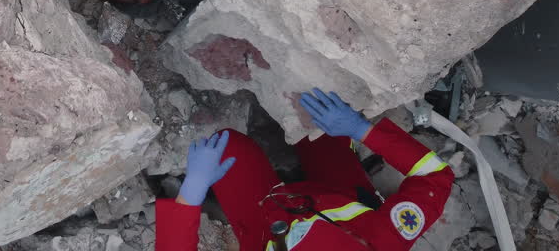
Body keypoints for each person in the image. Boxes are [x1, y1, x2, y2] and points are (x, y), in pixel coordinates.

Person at [156, 89, 454, 251]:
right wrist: (362, 130)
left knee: (226, 146)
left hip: (263, 221)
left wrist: (191, 193)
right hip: (338, 192)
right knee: (316, 103)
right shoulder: (388, 240)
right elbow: (435, 177)